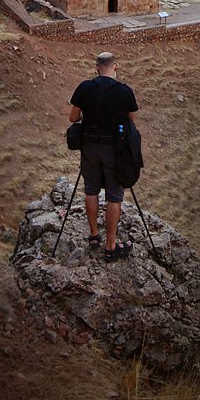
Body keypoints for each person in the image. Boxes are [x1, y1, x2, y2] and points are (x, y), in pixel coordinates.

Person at [69, 52, 137, 262]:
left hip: (89, 146)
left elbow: (73, 117)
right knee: (114, 195)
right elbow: (131, 120)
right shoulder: (124, 91)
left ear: (96, 67)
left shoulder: (85, 87)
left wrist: (88, 114)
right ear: (115, 67)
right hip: (113, 149)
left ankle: (93, 235)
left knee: (91, 189)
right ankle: (110, 245)